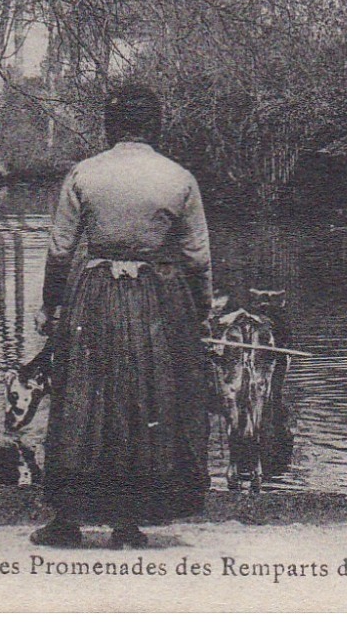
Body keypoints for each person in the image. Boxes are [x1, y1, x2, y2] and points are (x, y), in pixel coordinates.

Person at [31, 84, 214, 550]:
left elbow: (59, 251)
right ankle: (129, 523)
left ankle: (68, 520)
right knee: (146, 401)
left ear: (111, 126)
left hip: (92, 296)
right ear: (155, 125)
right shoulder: (178, 178)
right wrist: (203, 313)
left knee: (83, 399)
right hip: (156, 300)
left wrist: (49, 306)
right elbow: (197, 258)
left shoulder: (84, 173)